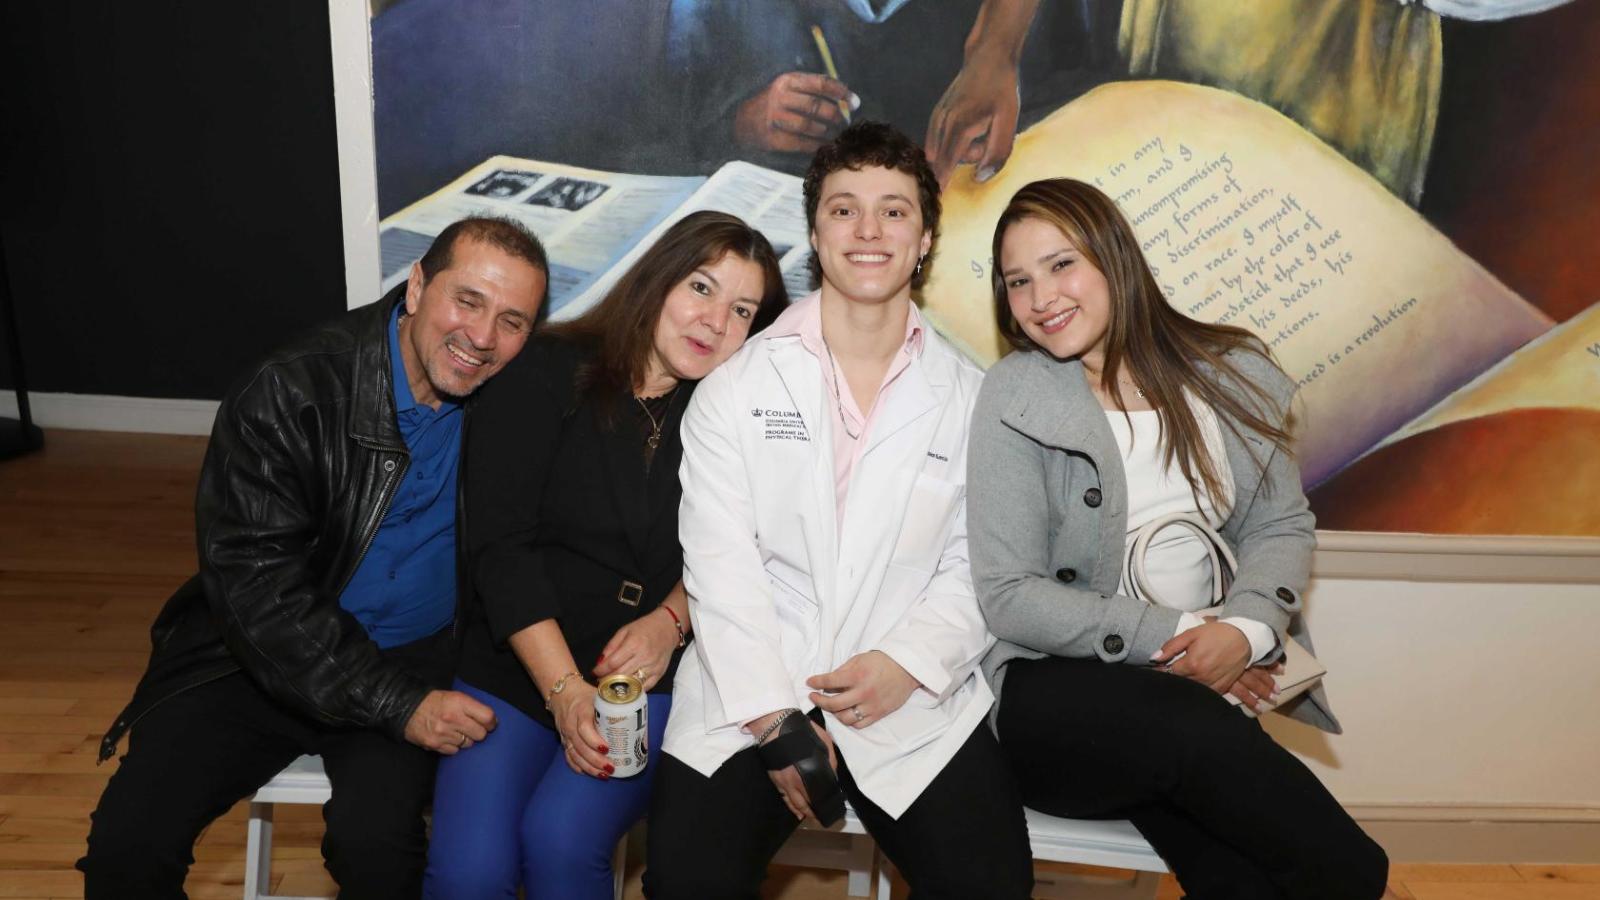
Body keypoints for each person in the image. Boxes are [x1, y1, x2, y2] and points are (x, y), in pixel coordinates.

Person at [79, 217, 549, 899]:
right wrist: (399, 704)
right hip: (257, 652)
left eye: (512, 321)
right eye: (467, 300)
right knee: (128, 850)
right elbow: (256, 590)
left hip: (414, 653)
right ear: (416, 285)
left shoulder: (516, 400)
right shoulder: (291, 389)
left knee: (379, 851)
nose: (481, 338)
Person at [967, 177, 1391, 899]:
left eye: (1061, 264)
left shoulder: (1229, 373)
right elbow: (1009, 595)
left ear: (1114, 258)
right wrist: (1191, 637)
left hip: (1199, 700)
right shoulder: (1016, 393)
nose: (1041, 298)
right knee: (1342, 866)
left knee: (1243, 879)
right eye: (1017, 281)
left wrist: (1251, 630)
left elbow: (1279, 524)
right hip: (1057, 705)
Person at [643, 122, 1032, 900]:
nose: (868, 231)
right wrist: (774, 721)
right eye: (844, 209)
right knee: (688, 883)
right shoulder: (736, 390)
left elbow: (979, 562)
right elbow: (721, 568)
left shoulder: (973, 398)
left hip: (911, 699)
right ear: (815, 233)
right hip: (751, 692)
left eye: (894, 211)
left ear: (924, 239)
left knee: (993, 885)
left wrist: (910, 665)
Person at [422, 211, 786, 899]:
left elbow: (755, 549)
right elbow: (500, 549)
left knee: (560, 842)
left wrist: (671, 620)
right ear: (657, 280)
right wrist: (562, 692)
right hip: (521, 660)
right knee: (471, 873)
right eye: (701, 289)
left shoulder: (740, 412)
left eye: (742, 309)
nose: (715, 321)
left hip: (648, 684)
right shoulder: (546, 371)